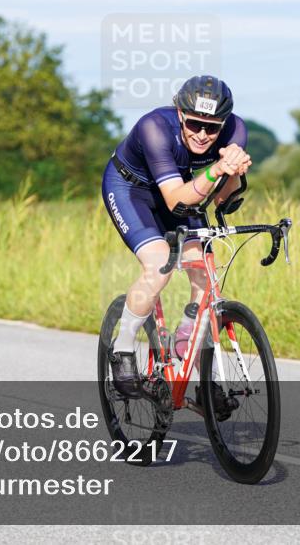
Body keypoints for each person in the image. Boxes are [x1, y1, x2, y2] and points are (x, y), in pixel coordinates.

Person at [101, 74, 252, 406]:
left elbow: (220, 201)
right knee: (159, 266)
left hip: (185, 188)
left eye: (212, 128)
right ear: (180, 114)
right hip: (132, 190)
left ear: (224, 124)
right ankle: (123, 348)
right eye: (195, 124)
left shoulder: (236, 131)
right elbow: (175, 202)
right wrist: (216, 171)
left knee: (206, 277)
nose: (202, 134)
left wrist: (234, 173)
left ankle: (189, 348)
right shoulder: (154, 127)